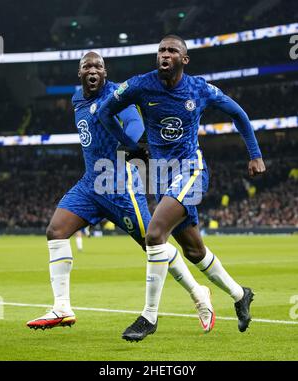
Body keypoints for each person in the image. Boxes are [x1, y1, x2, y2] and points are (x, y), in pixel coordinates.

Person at [26, 51, 215, 334]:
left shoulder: (118, 96)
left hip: (119, 186)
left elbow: (136, 126)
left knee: (153, 244)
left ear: (105, 72)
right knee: (55, 231)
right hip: (90, 185)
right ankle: (62, 307)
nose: (93, 70)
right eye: (87, 66)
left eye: (98, 66)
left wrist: (126, 146)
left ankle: (199, 293)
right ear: (80, 73)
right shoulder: (77, 99)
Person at [99, 35, 266, 341]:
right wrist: (130, 146)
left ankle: (149, 316)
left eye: (172, 51)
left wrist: (254, 154)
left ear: (183, 60)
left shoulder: (199, 88)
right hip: (162, 176)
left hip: (191, 170)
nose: (164, 54)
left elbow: (238, 113)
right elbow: (104, 112)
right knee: (193, 250)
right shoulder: (140, 85)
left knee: (154, 234)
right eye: (161, 50)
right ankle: (240, 293)